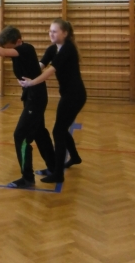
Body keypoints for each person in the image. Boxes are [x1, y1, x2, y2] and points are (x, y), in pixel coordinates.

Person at [0, 26, 55, 189]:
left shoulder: (25, 48)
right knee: (39, 132)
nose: (6, 51)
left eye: (8, 48)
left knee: (20, 135)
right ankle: (54, 168)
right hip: (33, 96)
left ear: (18, 41)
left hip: (36, 98)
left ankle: (27, 178)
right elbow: (5, 52)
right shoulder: (21, 51)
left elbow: (0, 52)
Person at [20, 18, 86, 184]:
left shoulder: (68, 49)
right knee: (61, 129)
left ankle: (58, 173)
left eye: (55, 31)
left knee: (58, 131)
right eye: (50, 31)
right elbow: (40, 66)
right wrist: (27, 75)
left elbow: (50, 71)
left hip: (75, 96)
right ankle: (74, 157)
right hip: (68, 94)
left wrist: (31, 83)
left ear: (65, 33)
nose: (51, 34)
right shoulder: (53, 48)